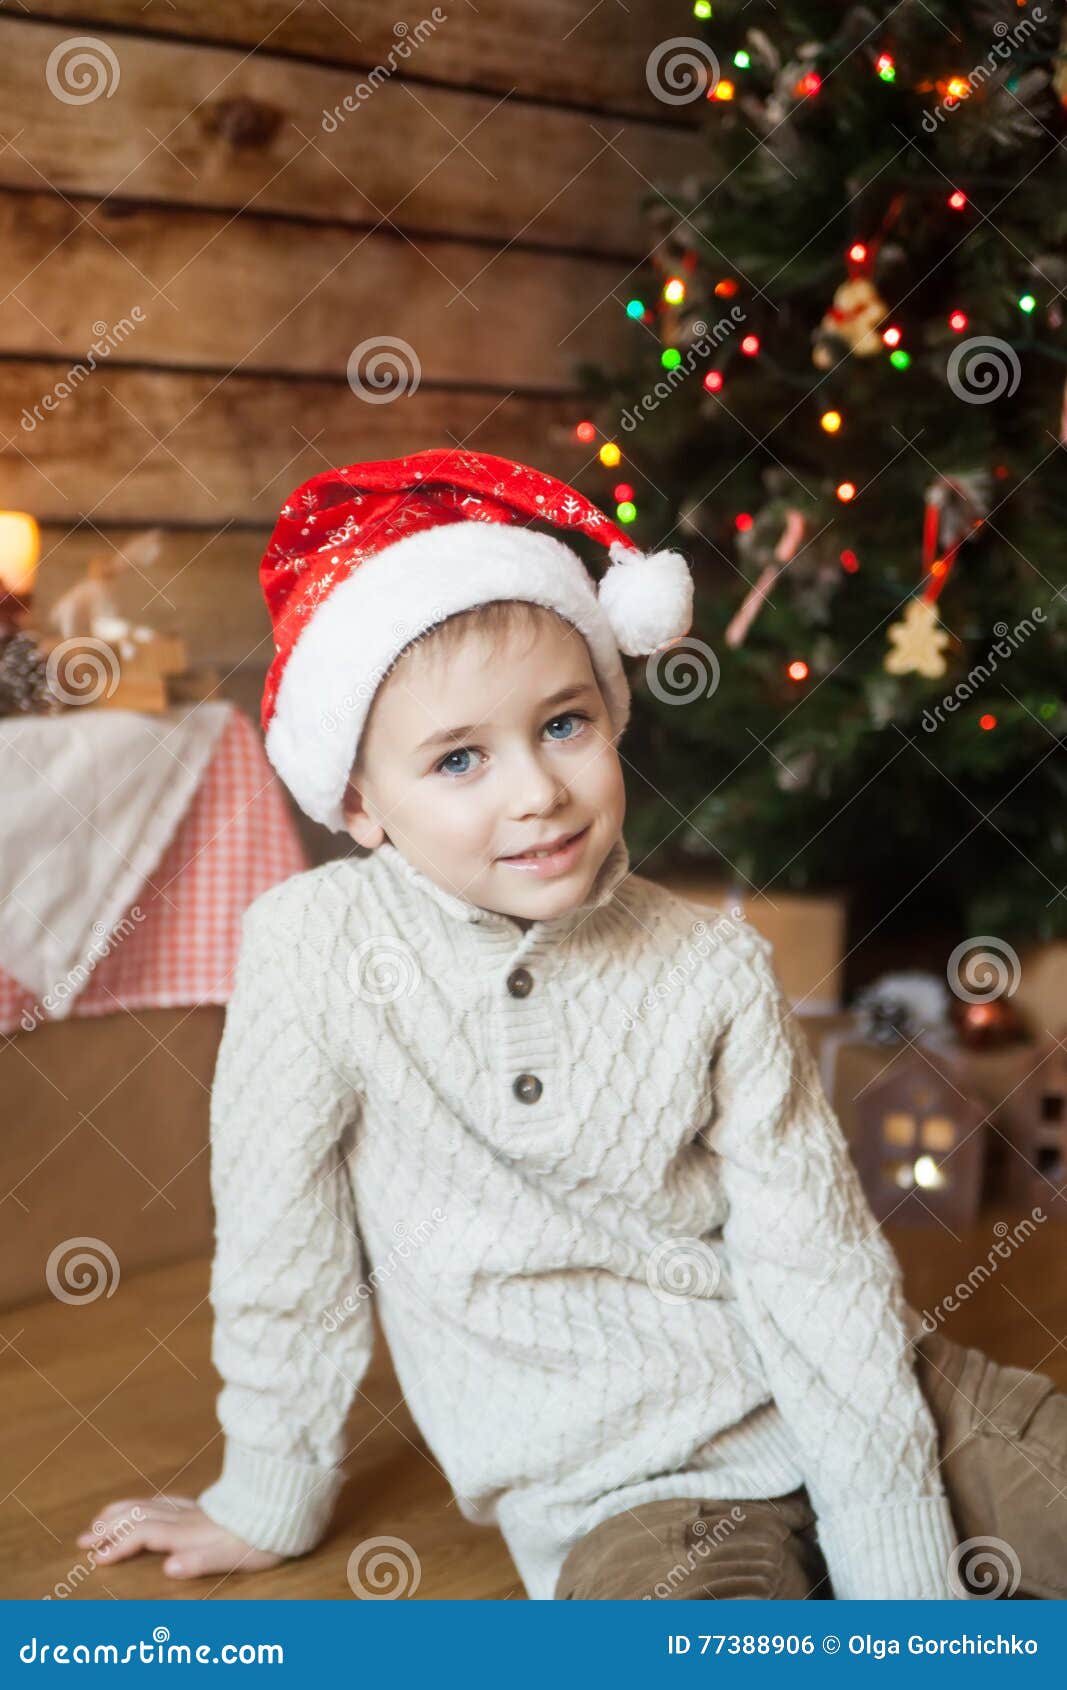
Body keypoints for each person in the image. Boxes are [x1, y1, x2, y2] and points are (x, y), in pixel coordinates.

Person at [77, 450, 1067, 1600]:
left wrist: (901, 1578)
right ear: (358, 801)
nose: (536, 791)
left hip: (891, 1394)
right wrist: (269, 1485)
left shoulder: (711, 965)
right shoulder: (312, 952)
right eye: (458, 758)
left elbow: (816, 1263)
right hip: (624, 1493)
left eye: (562, 724)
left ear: (610, 713)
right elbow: (279, 1241)